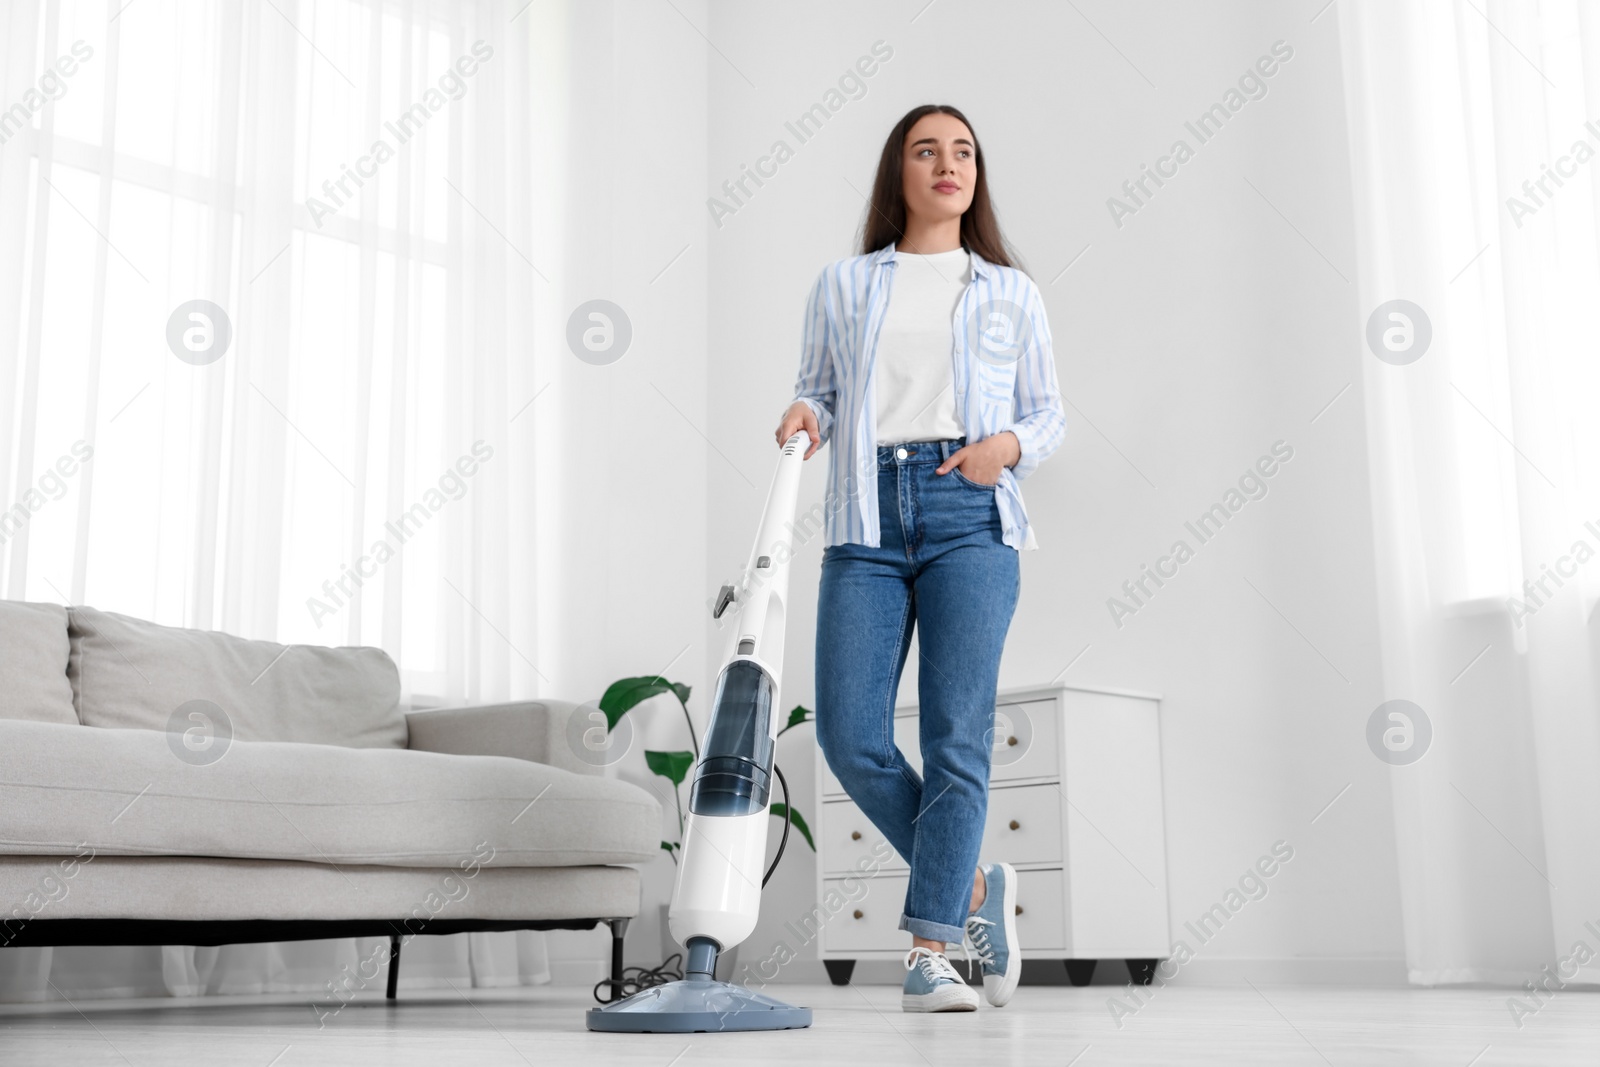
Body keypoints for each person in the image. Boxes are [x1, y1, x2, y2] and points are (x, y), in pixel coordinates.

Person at [775, 103, 1067, 1012]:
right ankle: (973, 887)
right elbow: (818, 388)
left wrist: (1001, 450)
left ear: (977, 174)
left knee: (955, 738)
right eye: (926, 150)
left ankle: (932, 946)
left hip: (967, 512)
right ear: (897, 173)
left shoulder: (1009, 291)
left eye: (964, 151)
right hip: (864, 513)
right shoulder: (845, 283)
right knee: (849, 735)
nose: (948, 164)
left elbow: (1048, 414)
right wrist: (803, 417)